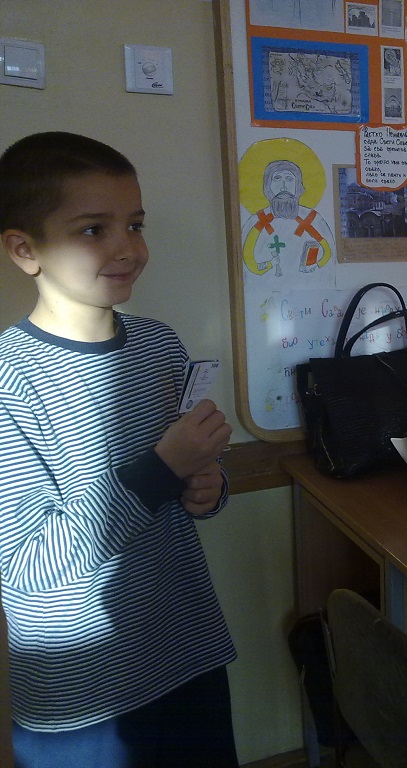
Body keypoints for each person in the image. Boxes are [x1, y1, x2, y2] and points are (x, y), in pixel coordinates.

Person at [0, 132, 238, 768]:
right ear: (25, 250)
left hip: (185, 649)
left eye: (134, 225)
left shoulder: (159, 345)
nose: (128, 248)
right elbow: (23, 566)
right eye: (92, 230)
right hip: (82, 691)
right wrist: (163, 469)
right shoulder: (11, 379)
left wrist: (207, 485)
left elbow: (190, 478)